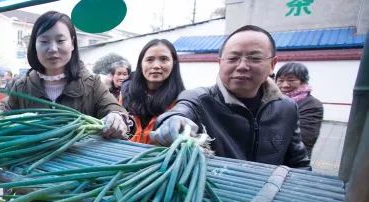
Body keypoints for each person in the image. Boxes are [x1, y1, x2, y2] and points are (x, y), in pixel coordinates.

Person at [151, 24, 309, 168]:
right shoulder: (199, 99)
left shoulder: (287, 108)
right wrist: (172, 122)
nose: (242, 66)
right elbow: (180, 112)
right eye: (233, 58)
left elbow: (299, 163)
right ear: (220, 63)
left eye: (254, 58)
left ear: (272, 65)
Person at [3, 11, 129, 139]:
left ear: (72, 43)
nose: (52, 48)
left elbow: (114, 109)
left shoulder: (92, 85)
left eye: (60, 40)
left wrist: (117, 118)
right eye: (44, 41)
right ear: (34, 45)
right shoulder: (21, 88)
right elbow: (2, 118)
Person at [121, 40, 185, 144]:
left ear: (174, 63)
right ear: (141, 64)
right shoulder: (125, 94)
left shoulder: (181, 103)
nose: (156, 66)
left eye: (164, 59)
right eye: (149, 60)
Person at [275, 62, 324, 158]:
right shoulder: (272, 98)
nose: (285, 85)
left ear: (303, 82)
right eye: (280, 80)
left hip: (293, 159)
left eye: (291, 80)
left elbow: (304, 139)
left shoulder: (312, 105)